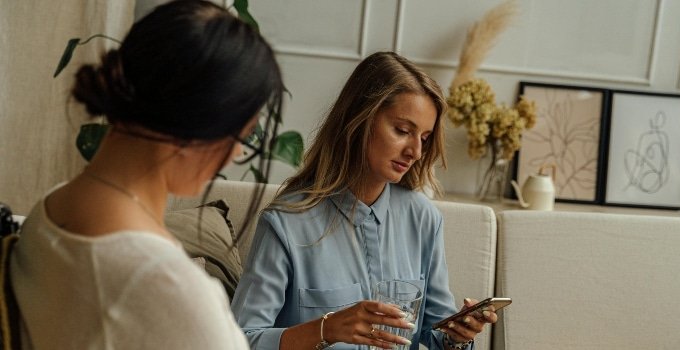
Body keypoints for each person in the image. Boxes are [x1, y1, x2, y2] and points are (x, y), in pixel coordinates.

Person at [10, 1, 283, 349]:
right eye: (240, 134)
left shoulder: (52, 209)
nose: (237, 153)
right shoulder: (165, 284)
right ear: (194, 123)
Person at [231, 51, 497, 350]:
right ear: (359, 121)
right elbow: (240, 340)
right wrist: (326, 329)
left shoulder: (423, 219)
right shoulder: (286, 223)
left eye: (423, 138)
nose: (416, 152)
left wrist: (457, 335)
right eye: (402, 131)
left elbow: (434, 336)